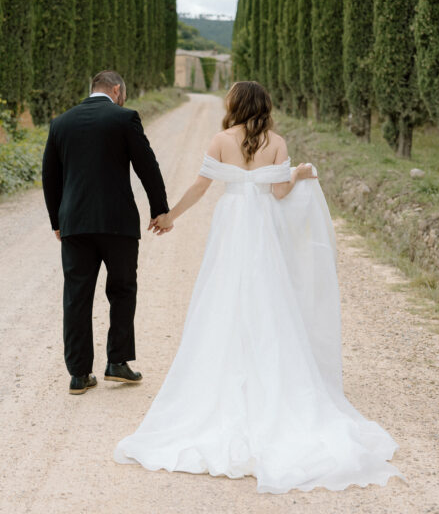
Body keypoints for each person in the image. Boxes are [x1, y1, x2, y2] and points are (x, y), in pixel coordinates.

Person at [114, 80, 403, 494]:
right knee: (270, 298)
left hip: (232, 225)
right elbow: (280, 192)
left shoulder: (220, 139)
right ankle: (273, 373)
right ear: (264, 105)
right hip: (263, 230)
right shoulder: (277, 142)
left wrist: (170, 215)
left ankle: (224, 371)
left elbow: (201, 186)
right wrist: (300, 172)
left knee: (224, 296)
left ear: (234, 104)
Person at [42, 70, 170, 396]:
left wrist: (57, 220)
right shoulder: (125, 118)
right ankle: (117, 363)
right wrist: (160, 209)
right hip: (118, 223)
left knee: (76, 297)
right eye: (122, 94)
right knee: (123, 290)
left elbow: (50, 177)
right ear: (116, 90)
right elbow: (147, 165)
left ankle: (78, 374)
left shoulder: (61, 123)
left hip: (75, 225)